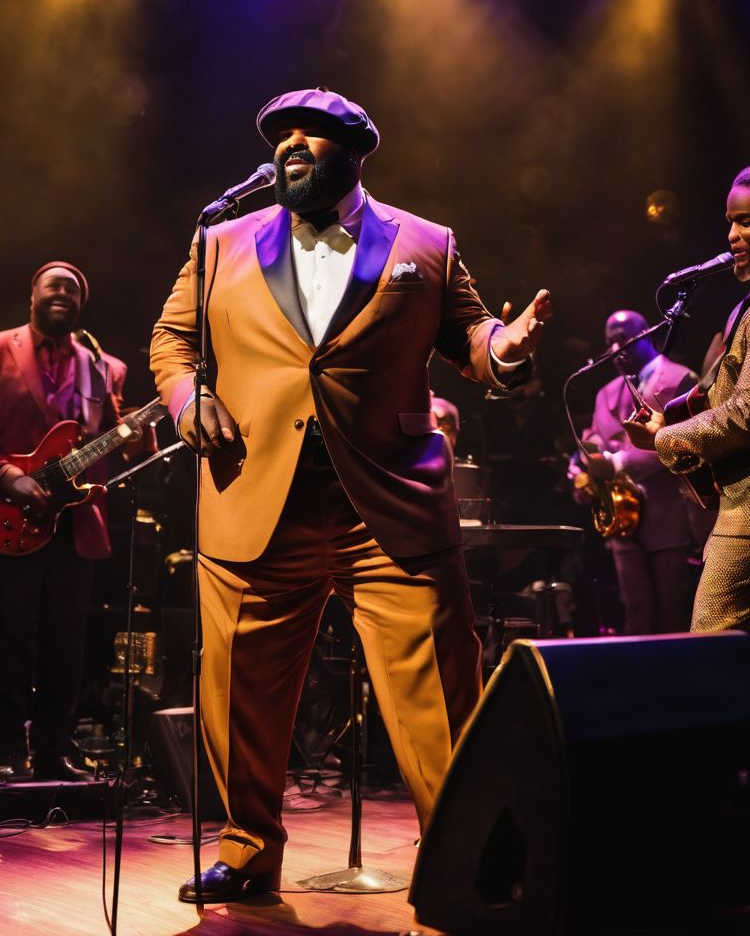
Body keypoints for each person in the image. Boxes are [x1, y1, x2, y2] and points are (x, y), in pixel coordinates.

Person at [150, 87, 551, 902]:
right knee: (240, 694)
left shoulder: (426, 244)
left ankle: (471, 854)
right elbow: (172, 339)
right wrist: (190, 401)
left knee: (441, 693)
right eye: (280, 136)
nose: (291, 146)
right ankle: (249, 850)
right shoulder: (218, 240)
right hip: (255, 496)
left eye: (313, 134)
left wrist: (504, 350)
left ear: (358, 149)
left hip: (390, 503)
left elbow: (473, 338)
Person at [624, 159, 750, 830]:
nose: (730, 234)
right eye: (728, 219)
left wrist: (669, 437)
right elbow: (730, 391)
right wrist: (681, 409)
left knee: (715, 644)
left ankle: (725, 808)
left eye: (746, 220)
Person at [0, 261, 128, 782]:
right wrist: (8, 478)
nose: (63, 293)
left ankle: (55, 750)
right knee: (12, 636)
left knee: (66, 644)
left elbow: (112, 437)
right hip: (9, 515)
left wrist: (142, 429)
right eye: (54, 285)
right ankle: (5, 749)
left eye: (73, 289)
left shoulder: (105, 368)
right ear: (33, 293)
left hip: (75, 522)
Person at [569, 309, 709, 634]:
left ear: (646, 333)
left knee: (671, 611)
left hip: (668, 514)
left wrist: (617, 462)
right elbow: (594, 438)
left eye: (623, 338)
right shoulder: (605, 392)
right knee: (635, 610)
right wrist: (580, 466)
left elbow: (683, 443)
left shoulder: (680, 379)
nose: (616, 348)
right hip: (622, 518)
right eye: (610, 341)